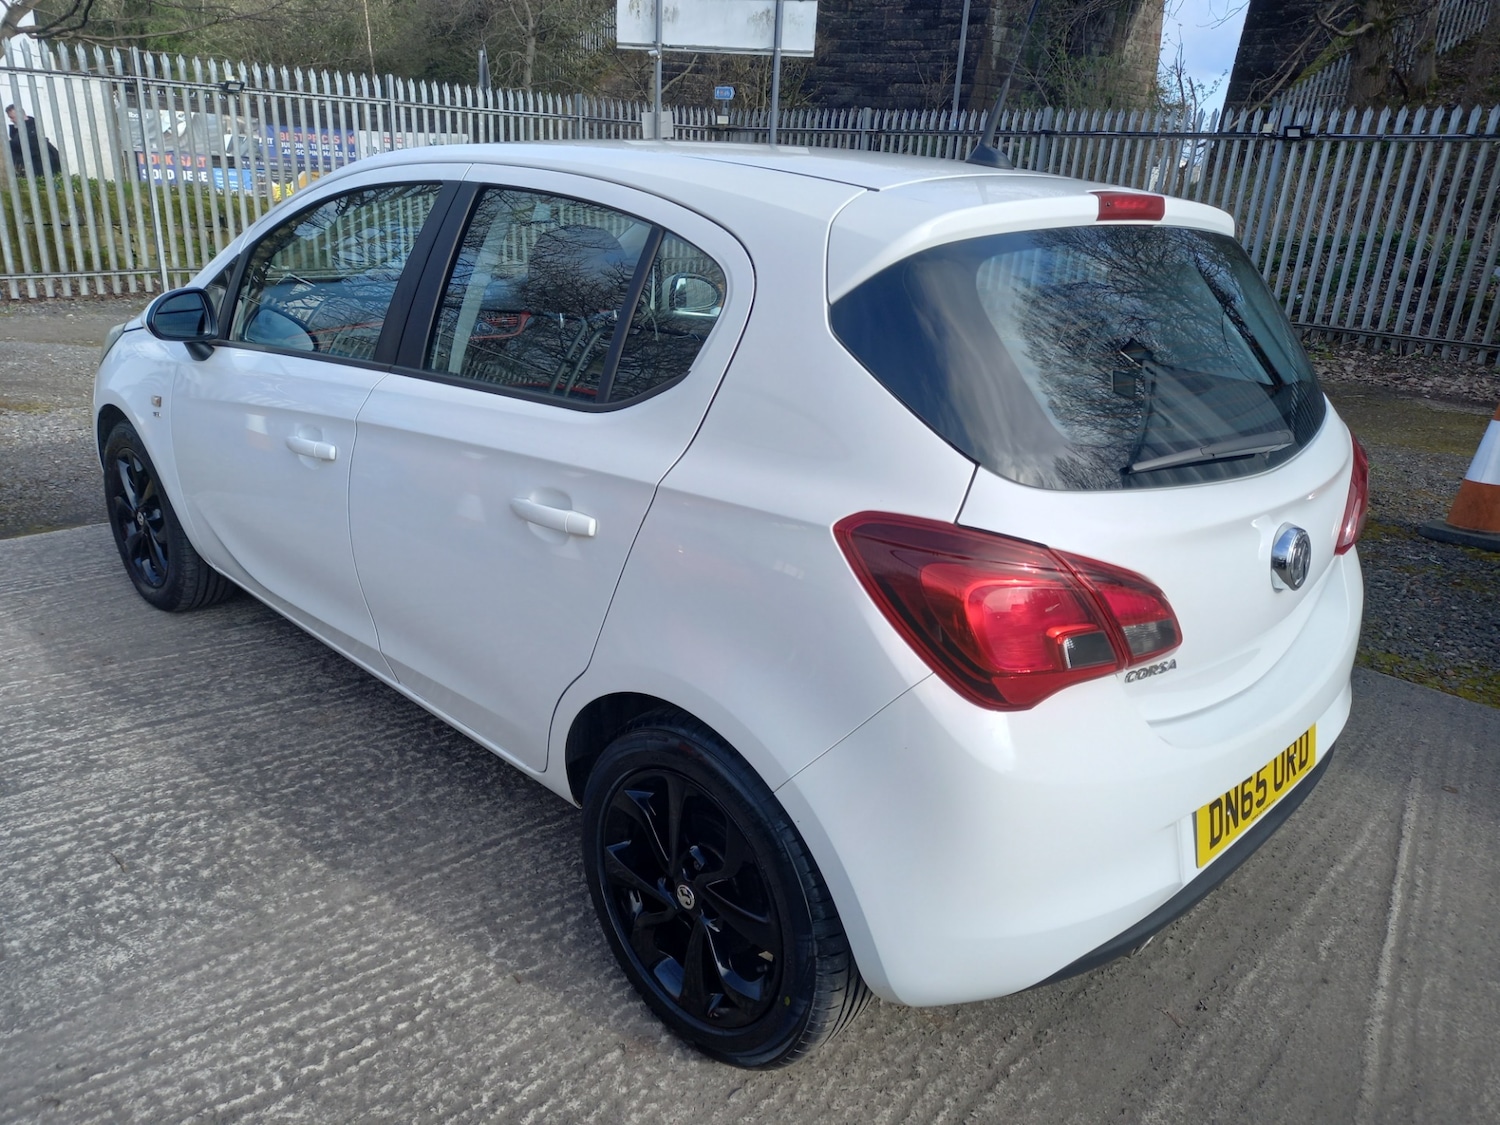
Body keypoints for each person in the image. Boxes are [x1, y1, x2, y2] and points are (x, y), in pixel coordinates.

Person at [6, 104, 61, 176]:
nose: (11, 120)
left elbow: (20, 146)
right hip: (40, 168)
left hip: (42, 168)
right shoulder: (25, 129)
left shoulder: (31, 130)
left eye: (12, 117)